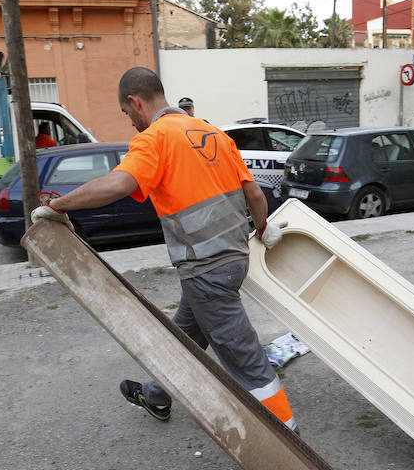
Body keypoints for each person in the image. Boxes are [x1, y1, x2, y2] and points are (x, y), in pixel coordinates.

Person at [31, 67, 297, 433]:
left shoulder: (154, 138)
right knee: (183, 338)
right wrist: (263, 229)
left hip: (206, 270)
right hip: (234, 261)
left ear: (135, 102)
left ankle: (289, 439)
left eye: (127, 114)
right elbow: (253, 193)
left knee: (247, 361)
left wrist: (60, 205)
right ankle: (157, 394)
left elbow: (119, 183)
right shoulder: (211, 132)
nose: (130, 122)